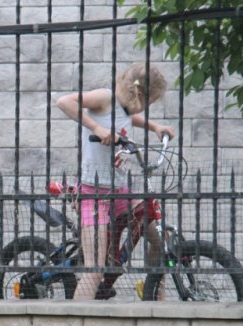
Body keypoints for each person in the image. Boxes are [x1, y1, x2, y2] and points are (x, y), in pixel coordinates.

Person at [56, 63, 176, 300]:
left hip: (119, 192)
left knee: (162, 239)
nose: (146, 107)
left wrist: (155, 126)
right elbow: (64, 102)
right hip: (94, 193)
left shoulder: (124, 107)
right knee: (94, 270)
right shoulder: (105, 97)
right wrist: (97, 128)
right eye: (149, 102)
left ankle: (154, 294)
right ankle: (76, 321)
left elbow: (128, 117)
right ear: (139, 94)